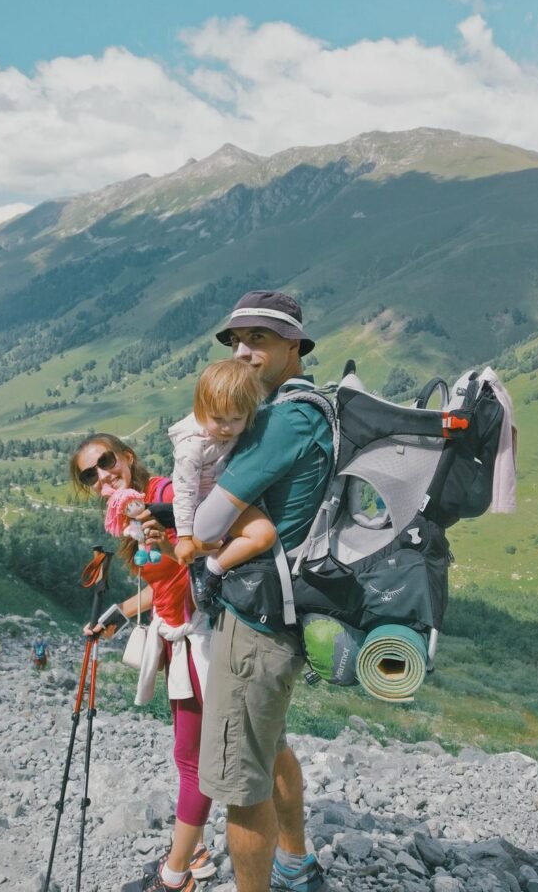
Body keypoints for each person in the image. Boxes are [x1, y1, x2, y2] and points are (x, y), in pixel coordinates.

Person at [192, 291, 335, 892]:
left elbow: (204, 526)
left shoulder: (284, 418)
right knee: (269, 746)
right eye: (236, 341)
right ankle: (296, 865)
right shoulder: (304, 406)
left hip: (255, 622)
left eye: (261, 340)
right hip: (282, 611)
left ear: (295, 345)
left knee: (239, 782)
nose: (245, 352)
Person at [69, 434, 216, 892]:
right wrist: (115, 617)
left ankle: (176, 879)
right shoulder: (131, 515)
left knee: (193, 760)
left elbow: (206, 556)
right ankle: (197, 851)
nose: (102, 476)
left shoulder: (167, 497)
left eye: (106, 462)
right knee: (192, 754)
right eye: (90, 475)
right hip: (177, 641)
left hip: (201, 639)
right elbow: (162, 586)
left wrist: (163, 537)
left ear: (128, 458)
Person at [168, 359, 277, 607]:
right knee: (264, 535)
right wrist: (184, 537)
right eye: (218, 419)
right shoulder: (191, 449)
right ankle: (211, 569)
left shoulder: (240, 423)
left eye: (236, 419)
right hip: (203, 507)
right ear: (200, 411)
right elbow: (184, 492)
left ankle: (212, 562)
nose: (227, 428)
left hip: (226, 499)